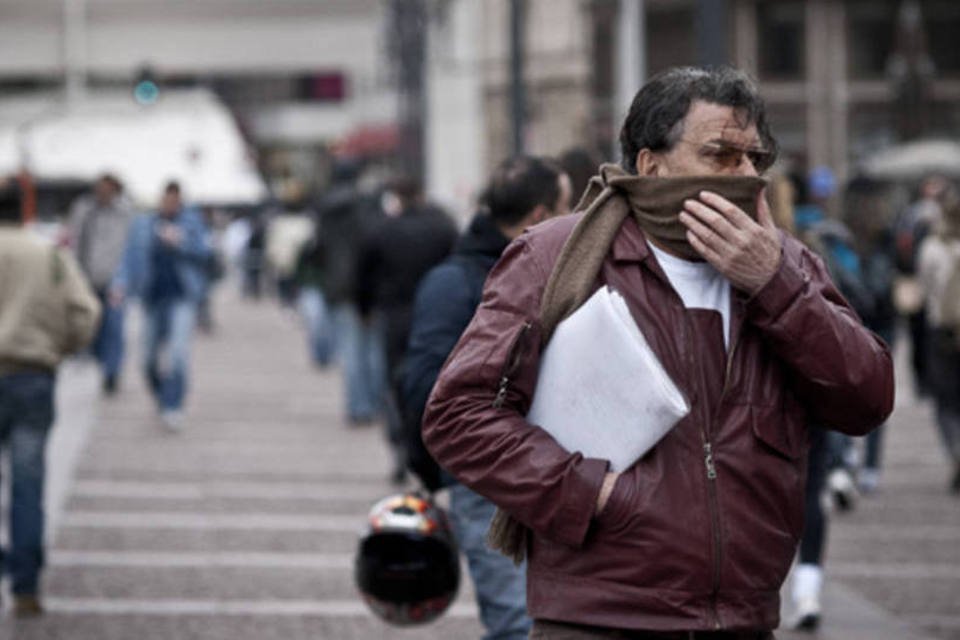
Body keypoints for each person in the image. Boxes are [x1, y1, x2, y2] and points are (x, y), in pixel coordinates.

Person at [422, 66, 894, 637]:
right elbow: (457, 415)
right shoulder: (555, 257)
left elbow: (867, 397)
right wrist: (593, 493)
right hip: (601, 616)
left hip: (741, 617)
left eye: (754, 159)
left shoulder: (787, 263)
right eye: (720, 154)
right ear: (651, 164)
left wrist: (775, 284)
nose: (745, 175)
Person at [402, 156, 572, 639]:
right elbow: (423, 389)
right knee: (517, 625)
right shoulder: (455, 282)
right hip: (485, 476)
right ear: (540, 215)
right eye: (566, 206)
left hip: (549, 471)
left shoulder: (543, 273)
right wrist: (439, 470)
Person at [0, 178, 100, 616]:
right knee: (28, 484)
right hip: (31, 375)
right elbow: (87, 311)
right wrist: (61, 348)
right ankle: (25, 584)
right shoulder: (48, 254)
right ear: (24, 208)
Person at [355, 176, 458, 484]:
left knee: (396, 385)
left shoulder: (383, 230)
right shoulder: (443, 228)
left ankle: (401, 444)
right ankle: (432, 446)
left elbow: (363, 275)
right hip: (436, 314)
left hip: (395, 316)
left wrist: (364, 309)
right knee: (436, 382)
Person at [113, 181, 212, 431]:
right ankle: (161, 395)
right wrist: (120, 283)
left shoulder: (191, 222)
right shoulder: (144, 223)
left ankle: (173, 404)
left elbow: (206, 253)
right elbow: (128, 256)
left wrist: (180, 242)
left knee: (178, 355)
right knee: (146, 359)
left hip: (182, 297)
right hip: (151, 297)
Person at [315, 160, 386, 425]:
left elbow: (320, 249)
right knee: (372, 350)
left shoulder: (326, 209)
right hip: (368, 284)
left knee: (350, 350)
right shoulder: (367, 205)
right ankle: (376, 402)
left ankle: (358, 407)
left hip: (338, 285)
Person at [66, 173, 136, 394]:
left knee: (114, 327)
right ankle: (94, 358)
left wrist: (125, 278)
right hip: (87, 277)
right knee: (91, 325)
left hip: (115, 279)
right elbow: (74, 240)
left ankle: (112, 372)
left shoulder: (125, 212)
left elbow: (129, 247)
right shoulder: (84, 208)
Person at [917, 182, 960, 495]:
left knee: (945, 401)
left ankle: (955, 451)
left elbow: (923, 288)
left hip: (940, 331)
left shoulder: (931, 247)